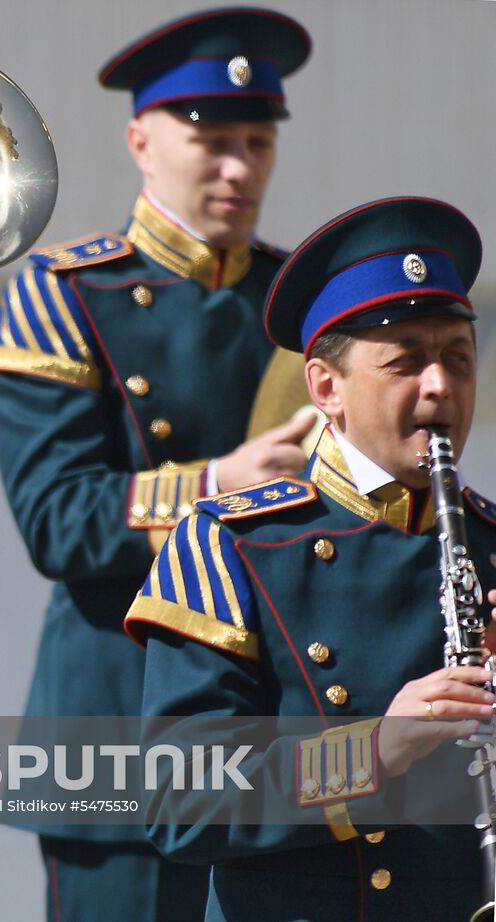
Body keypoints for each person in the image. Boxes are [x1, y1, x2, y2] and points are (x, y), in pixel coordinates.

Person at [0, 7, 314, 919]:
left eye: (256, 141)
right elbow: (58, 523)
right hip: (116, 729)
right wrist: (217, 486)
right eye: (211, 140)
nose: (239, 167)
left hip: (282, 729)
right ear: (141, 141)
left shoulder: (301, 302)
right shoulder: (65, 292)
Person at [125, 195, 492, 919]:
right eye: (406, 362)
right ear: (326, 387)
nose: (440, 387)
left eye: (457, 358)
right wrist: (376, 751)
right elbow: (179, 801)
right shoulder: (231, 543)